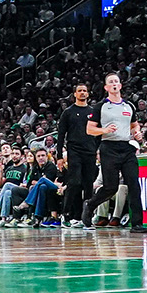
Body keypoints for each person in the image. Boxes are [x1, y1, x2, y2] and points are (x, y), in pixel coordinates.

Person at [81, 74, 145, 233]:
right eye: (111, 82)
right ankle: (90, 205)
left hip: (127, 147)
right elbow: (90, 129)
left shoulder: (129, 105)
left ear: (121, 86)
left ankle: (137, 223)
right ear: (106, 87)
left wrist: (137, 132)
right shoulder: (100, 106)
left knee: (134, 184)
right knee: (111, 187)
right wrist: (104, 130)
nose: (114, 84)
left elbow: (134, 125)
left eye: (116, 81)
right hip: (108, 147)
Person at [57, 84, 98, 227]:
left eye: (84, 91)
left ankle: (86, 217)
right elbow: (61, 134)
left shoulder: (93, 112)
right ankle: (66, 214)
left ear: (88, 94)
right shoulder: (68, 112)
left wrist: (97, 148)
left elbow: (97, 132)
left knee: (88, 184)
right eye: (79, 91)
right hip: (74, 150)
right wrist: (59, 156)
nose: (82, 93)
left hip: (90, 151)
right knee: (74, 182)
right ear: (74, 94)